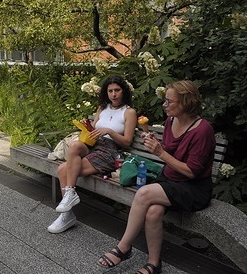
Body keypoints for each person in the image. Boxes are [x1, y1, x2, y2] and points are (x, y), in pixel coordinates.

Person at [98, 80, 216, 274]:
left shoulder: (203, 131)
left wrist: (160, 153)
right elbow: (171, 150)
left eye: (169, 102)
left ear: (185, 103)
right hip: (170, 179)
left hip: (192, 187)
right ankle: (154, 264)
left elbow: (191, 171)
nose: (164, 105)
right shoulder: (171, 121)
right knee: (153, 212)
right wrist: (153, 142)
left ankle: (124, 248)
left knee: (144, 194)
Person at [48, 75, 137, 233]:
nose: (114, 94)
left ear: (123, 92)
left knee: (63, 169)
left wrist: (109, 131)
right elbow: (93, 129)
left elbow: (127, 142)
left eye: (117, 90)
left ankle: (67, 215)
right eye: (110, 91)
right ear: (106, 92)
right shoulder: (102, 108)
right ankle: (70, 197)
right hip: (94, 145)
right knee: (75, 146)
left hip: (109, 151)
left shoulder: (129, 112)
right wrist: (87, 126)